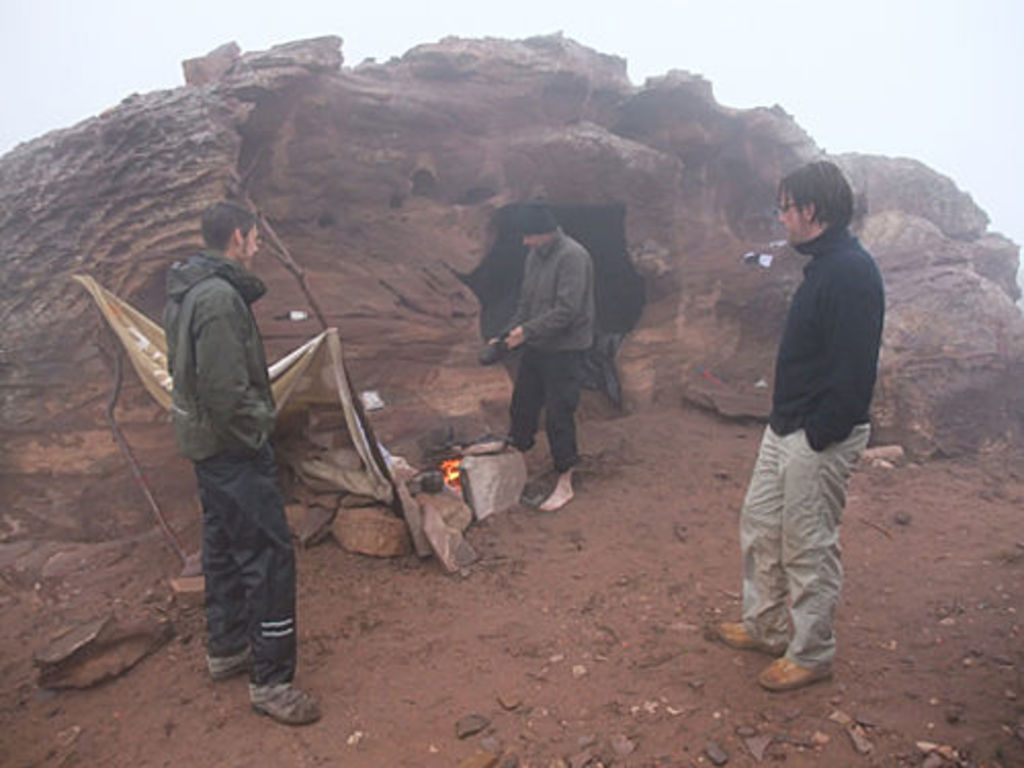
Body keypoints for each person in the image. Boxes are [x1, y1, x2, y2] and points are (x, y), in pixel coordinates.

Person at [715, 161, 885, 692]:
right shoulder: (822, 265)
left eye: (784, 207)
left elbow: (854, 369)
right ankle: (764, 626)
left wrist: (819, 432)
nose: (781, 218)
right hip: (786, 425)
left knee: (808, 544)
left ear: (810, 210)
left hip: (818, 432)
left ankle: (812, 653)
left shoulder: (852, 271)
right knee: (761, 524)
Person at [163, 201, 320, 725]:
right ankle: (272, 682)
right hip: (233, 449)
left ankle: (227, 648)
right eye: (254, 239)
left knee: (225, 548)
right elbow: (227, 390)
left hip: (207, 448)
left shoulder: (188, 292)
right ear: (238, 236)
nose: (257, 248)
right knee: (269, 557)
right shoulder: (217, 299)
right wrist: (259, 430)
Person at [497, 202, 595, 511]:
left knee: (558, 414)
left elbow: (568, 311)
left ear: (547, 232)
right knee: (522, 405)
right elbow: (526, 303)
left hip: (566, 350)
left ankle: (565, 481)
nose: (525, 242)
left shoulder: (573, 257)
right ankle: (518, 467)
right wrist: (506, 333)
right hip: (539, 345)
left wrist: (525, 332)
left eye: (530, 236)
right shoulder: (535, 256)